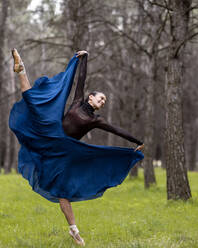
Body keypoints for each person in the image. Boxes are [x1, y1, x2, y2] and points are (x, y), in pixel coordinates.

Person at [9, 49, 144, 246]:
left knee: (61, 191)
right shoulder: (78, 101)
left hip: (64, 152)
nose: (103, 102)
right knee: (34, 104)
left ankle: (74, 230)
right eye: (101, 98)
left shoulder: (96, 120)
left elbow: (116, 130)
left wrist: (137, 141)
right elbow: (80, 79)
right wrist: (84, 58)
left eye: (104, 101)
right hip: (51, 135)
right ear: (91, 97)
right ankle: (21, 69)